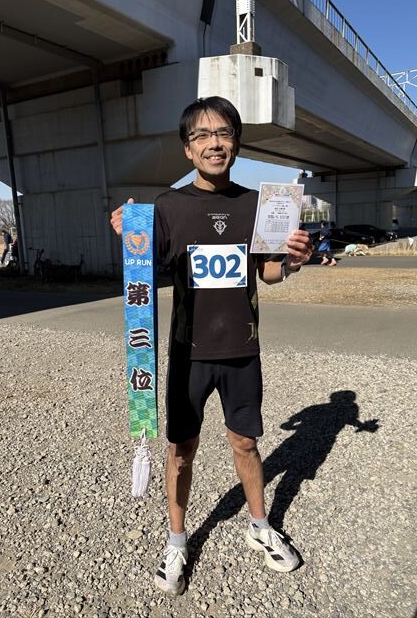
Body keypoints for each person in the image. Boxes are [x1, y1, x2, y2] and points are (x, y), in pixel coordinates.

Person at [110, 96, 314, 596]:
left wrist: (291, 261)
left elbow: (268, 273)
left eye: (223, 133)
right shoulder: (168, 206)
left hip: (243, 349)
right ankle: (177, 540)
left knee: (245, 442)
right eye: (201, 136)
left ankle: (260, 526)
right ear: (187, 149)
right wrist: (128, 233)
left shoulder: (259, 205)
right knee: (181, 449)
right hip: (188, 353)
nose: (213, 144)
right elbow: (146, 266)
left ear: (236, 143)